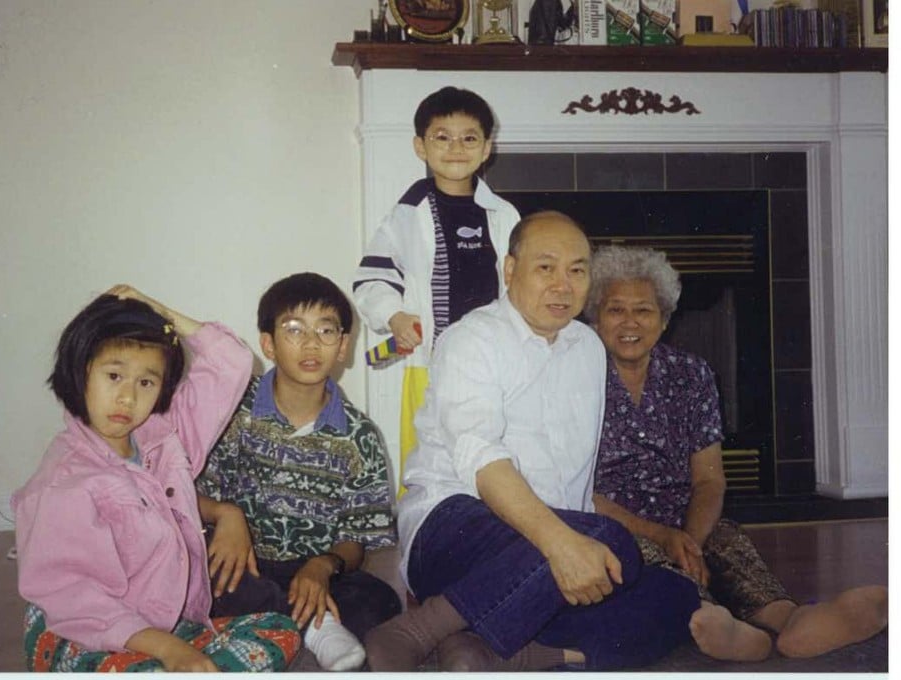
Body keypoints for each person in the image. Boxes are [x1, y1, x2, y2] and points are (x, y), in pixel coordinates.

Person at [363, 211, 704, 673]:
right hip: (452, 530)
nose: (563, 285)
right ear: (510, 270)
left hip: (535, 562)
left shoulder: (588, 349)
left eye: (577, 270)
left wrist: (574, 553)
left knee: (674, 593)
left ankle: (494, 647)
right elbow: (482, 462)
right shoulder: (471, 340)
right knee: (608, 542)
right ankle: (418, 631)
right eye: (546, 267)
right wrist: (565, 546)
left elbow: (578, 489)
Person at [586, 244, 890, 660]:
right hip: (620, 526)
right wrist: (665, 538)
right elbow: (585, 492)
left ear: (664, 318)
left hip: (687, 518)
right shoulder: (576, 378)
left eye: (644, 310)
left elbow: (710, 479)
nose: (630, 323)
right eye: (616, 310)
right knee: (654, 566)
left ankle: (789, 621)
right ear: (595, 317)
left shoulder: (692, 374)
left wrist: (690, 541)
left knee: (728, 542)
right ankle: (719, 622)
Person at [12, 286, 300, 672]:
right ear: (81, 373)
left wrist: (159, 313)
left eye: (146, 383)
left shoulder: (165, 439)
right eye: (114, 375)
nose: (128, 398)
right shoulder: (62, 484)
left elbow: (231, 361)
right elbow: (73, 597)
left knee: (282, 631)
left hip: (171, 624)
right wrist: (169, 649)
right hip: (87, 634)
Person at [196, 272, 401, 671]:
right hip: (244, 563)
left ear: (343, 346)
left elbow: (357, 540)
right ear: (268, 343)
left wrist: (323, 566)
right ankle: (314, 627)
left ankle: (275, 624)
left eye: (326, 331)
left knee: (380, 600)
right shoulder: (231, 411)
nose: (311, 344)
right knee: (203, 577)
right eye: (294, 330)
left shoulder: (360, 437)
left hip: (314, 568)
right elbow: (182, 492)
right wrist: (226, 514)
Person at [352, 86, 521, 488]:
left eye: (469, 138)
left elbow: (522, 282)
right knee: (431, 455)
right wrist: (393, 316)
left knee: (494, 447)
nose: (456, 148)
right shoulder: (407, 214)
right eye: (442, 137)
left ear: (486, 149)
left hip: (493, 360)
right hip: (430, 362)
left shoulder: (504, 214)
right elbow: (373, 275)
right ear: (420, 146)